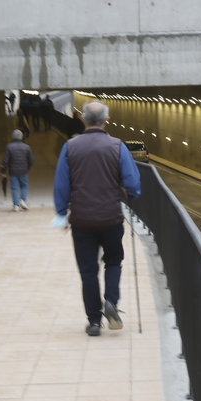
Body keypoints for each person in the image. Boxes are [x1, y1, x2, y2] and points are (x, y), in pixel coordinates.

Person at [53, 100, 141, 336]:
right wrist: (131, 192)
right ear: (106, 120)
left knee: (88, 271)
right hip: (110, 218)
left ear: (83, 120)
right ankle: (111, 302)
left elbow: (61, 184)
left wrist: (62, 213)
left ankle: (93, 322)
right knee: (113, 261)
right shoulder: (117, 146)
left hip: (81, 220)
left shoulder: (70, 147)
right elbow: (132, 183)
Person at [1, 129, 34, 211]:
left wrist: (3, 171)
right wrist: (28, 167)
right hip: (23, 170)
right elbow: (31, 160)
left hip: (13, 171)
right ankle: (23, 200)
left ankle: (16, 205)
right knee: (24, 186)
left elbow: (5, 161)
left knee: (14, 188)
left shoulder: (9, 147)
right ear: (21, 137)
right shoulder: (27, 147)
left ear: (12, 137)